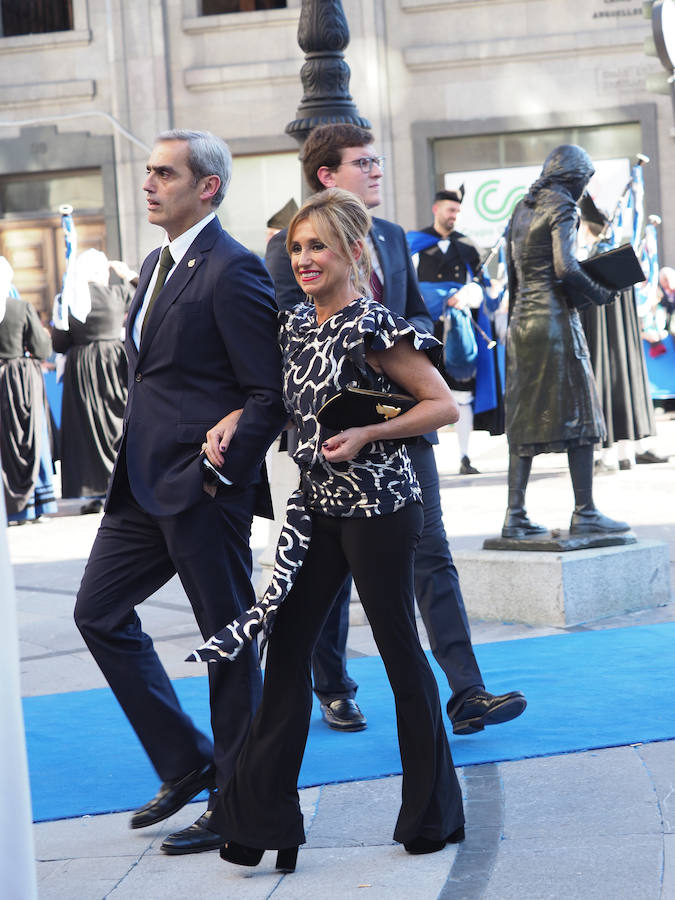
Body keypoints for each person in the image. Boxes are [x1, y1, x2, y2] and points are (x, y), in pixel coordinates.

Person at [198, 187, 465, 870]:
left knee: (401, 651)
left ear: (351, 249)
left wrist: (371, 430)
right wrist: (234, 421)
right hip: (318, 505)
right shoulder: (293, 325)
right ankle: (259, 822)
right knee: (284, 651)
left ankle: (431, 812)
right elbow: (273, 401)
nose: (304, 257)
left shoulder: (373, 324)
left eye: (317, 245)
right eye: (295, 247)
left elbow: (440, 408)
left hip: (381, 508)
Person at [265, 123, 526, 737]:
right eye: (364, 162)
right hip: (331, 446)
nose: (377, 169)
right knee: (324, 575)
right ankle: (334, 687)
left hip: (405, 427)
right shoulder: (289, 247)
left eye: (377, 159)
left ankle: (467, 692)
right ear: (328, 176)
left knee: (433, 558)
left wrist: (398, 339)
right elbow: (291, 331)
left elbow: (406, 315)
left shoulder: (387, 236)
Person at [73, 130, 287, 856]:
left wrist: (218, 474)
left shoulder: (231, 270)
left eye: (166, 173)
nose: (149, 183)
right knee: (97, 613)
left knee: (226, 644)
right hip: (139, 488)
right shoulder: (160, 264)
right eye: (148, 172)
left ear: (208, 187)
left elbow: (269, 393)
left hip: (201, 490)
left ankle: (240, 802)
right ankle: (186, 760)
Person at [502, 144, 630, 538]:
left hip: (522, 324)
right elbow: (566, 266)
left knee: (522, 419)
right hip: (555, 322)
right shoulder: (562, 206)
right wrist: (599, 292)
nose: (582, 191)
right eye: (584, 182)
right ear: (573, 178)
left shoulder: (521, 208)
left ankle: (515, 514)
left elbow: (513, 275)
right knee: (581, 412)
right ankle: (585, 510)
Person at [411, 188, 504, 475]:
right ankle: (423, 463)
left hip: (458, 332)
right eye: (450, 210)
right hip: (424, 331)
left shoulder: (467, 245)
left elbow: (483, 288)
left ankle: (465, 457)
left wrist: (466, 294)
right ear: (436, 209)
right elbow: (401, 283)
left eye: (458, 211)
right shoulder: (412, 243)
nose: (454, 216)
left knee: (462, 394)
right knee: (420, 394)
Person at [576, 195, 664, 473]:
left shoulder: (589, 262)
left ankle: (610, 456)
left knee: (604, 389)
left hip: (600, 344)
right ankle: (627, 453)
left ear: (587, 228)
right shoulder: (622, 258)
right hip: (625, 344)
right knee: (625, 387)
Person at [51, 250, 136, 513]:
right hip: (114, 362)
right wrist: (130, 275)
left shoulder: (68, 299)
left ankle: (93, 489)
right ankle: (123, 483)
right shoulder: (118, 293)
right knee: (117, 421)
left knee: (86, 428)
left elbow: (59, 343)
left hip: (82, 367)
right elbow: (147, 300)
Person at [0, 256, 58, 524]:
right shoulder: (20, 307)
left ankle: (11, 506)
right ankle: (35, 504)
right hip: (20, 379)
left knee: (6, 444)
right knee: (31, 438)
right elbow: (42, 349)